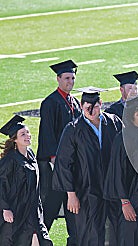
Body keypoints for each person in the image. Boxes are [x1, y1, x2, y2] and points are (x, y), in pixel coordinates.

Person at [52, 87, 123, 245]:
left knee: (116, 232)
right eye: (87, 108)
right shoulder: (73, 129)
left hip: (112, 189)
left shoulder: (113, 123)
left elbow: (122, 155)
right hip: (86, 190)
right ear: (81, 106)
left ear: (101, 103)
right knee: (90, 233)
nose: (91, 111)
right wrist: (71, 195)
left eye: (95, 106)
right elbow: (64, 163)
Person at [104, 93, 138, 245]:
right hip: (133, 201)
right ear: (136, 114)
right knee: (130, 239)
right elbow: (117, 172)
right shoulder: (123, 139)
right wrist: (125, 202)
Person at [37, 59, 80, 245]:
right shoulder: (50, 103)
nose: (70, 81)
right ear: (58, 79)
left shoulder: (75, 102)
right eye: (67, 78)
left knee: (73, 208)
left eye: (72, 77)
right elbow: (47, 133)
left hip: (70, 166)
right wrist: (55, 162)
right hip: (53, 168)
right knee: (50, 208)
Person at [0, 115, 52, 245]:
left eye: (28, 132)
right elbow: (1, 185)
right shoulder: (10, 160)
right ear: (15, 139)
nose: (28, 135)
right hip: (16, 210)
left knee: (43, 240)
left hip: (33, 209)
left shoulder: (30, 154)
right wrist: (5, 209)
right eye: (23, 134)